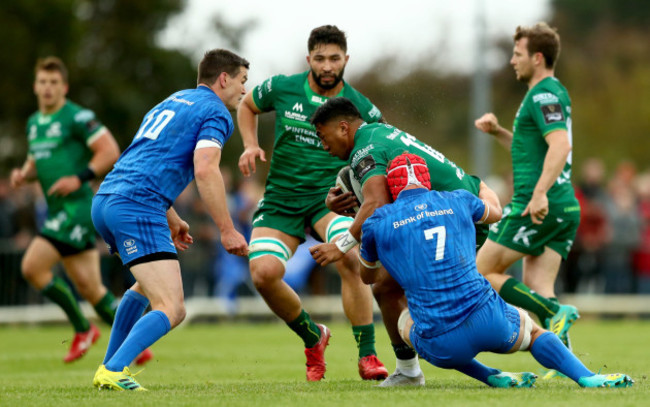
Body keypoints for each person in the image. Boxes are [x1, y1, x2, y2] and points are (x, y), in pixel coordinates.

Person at [353, 152, 633, 388]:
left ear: (391, 186)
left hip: (442, 343)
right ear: (427, 179)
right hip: (489, 319)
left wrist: (404, 266)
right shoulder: (458, 199)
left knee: (404, 320)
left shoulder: (377, 221)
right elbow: (496, 212)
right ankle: (588, 378)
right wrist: (480, 183)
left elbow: (368, 278)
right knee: (535, 334)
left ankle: (488, 375)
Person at [308, 96, 501, 387]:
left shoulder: (365, 150)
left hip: (455, 218)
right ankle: (513, 338)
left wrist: (341, 245)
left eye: (324, 137)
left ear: (344, 128)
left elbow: (376, 204)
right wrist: (346, 204)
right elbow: (382, 198)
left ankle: (414, 368)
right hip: (464, 208)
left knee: (391, 288)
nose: (324, 145)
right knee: (393, 287)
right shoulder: (379, 133)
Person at [91, 49, 250, 391]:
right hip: (137, 205)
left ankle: (109, 365)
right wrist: (227, 229)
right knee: (173, 307)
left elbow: (145, 160)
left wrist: (172, 215)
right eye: (242, 81)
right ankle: (116, 368)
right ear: (223, 79)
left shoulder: (172, 101)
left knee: (145, 287)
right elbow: (205, 169)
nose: (244, 91)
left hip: (107, 200)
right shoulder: (216, 112)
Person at [236, 25, 387, 381]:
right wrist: (248, 144)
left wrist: (365, 189)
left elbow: (380, 146)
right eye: (320, 58)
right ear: (309, 60)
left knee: (349, 255)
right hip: (281, 200)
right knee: (263, 274)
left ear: (346, 60)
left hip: (331, 202)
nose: (327, 65)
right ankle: (313, 337)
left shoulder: (361, 107)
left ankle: (368, 355)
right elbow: (246, 105)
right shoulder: (283, 87)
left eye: (335, 58)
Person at [8, 56, 154, 365]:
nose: (48, 88)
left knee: (32, 267)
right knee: (91, 288)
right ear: (35, 86)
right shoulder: (34, 123)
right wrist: (23, 174)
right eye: (43, 82)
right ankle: (137, 343)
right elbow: (38, 161)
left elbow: (110, 150)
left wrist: (80, 178)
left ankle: (82, 330)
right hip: (59, 210)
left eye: (54, 83)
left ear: (64, 87)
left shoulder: (77, 116)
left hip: (76, 209)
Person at [474, 23, 581, 352]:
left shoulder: (544, 93)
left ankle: (554, 312)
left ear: (537, 58)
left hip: (536, 205)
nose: (512, 61)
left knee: (482, 272)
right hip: (563, 207)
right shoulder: (550, 92)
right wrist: (498, 132)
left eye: (517, 54)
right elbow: (535, 151)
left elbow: (560, 146)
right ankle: (565, 363)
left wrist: (538, 194)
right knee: (538, 286)